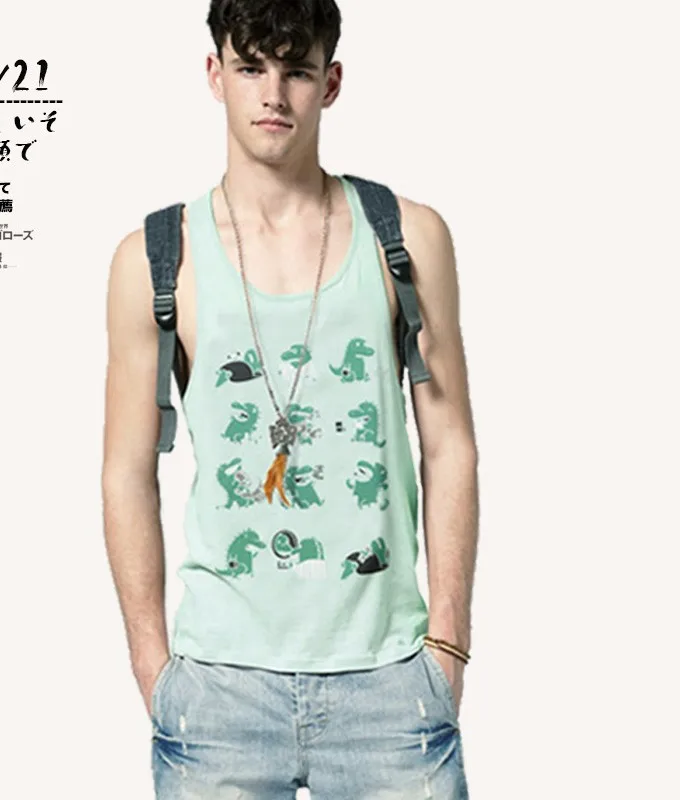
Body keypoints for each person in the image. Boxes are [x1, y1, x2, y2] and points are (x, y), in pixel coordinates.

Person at [102, 1, 479, 797]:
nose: (273, 94)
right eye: (251, 68)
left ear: (330, 82)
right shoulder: (156, 259)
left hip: (389, 683)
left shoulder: (406, 238)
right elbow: (125, 471)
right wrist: (152, 665)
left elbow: (450, 445)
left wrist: (447, 644)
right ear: (215, 74)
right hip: (218, 691)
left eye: (296, 70)